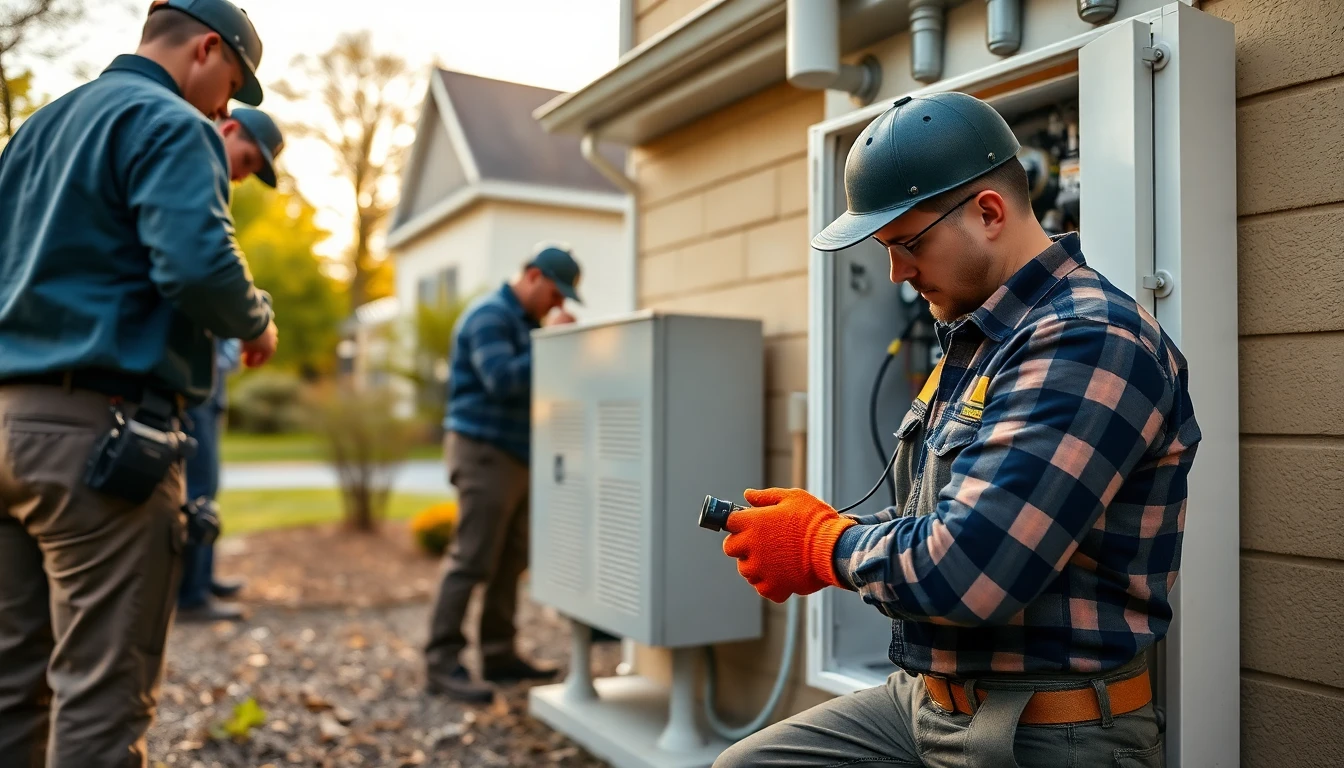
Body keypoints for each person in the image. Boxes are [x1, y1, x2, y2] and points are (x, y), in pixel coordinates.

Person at [713, 92, 1200, 767]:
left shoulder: (1087, 340)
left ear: (989, 213)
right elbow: (951, 512)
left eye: (908, 243)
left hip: (1045, 728)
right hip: (925, 704)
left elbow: (974, 567)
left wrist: (825, 545)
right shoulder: (982, 341)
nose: (897, 273)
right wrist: (819, 529)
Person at [0, 1, 276, 765]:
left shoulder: (37, 130)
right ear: (207, 49)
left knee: (12, 686)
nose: (225, 106)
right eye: (232, 84)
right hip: (100, 447)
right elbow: (196, 263)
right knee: (102, 700)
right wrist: (256, 323)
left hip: (5, 430)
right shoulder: (175, 123)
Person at [423, 245, 582, 702]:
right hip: (484, 454)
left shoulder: (524, 324)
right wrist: (552, 343)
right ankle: (441, 663)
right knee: (471, 558)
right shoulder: (489, 317)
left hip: (515, 456)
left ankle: (498, 655)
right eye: (555, 293)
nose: (559, 304)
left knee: (511, 560)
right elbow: (502, 380)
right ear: (532, 276)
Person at [177, 107, 286, 624]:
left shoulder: (214, 196)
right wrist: (256, 320)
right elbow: (201, 276)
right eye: (247, 160)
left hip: (211, 384)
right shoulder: (192, 183)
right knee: (197, 489)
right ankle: (192, 594)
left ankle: (203, 578)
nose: (244, 174)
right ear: (229, 130)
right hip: (190, 386)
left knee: (208, 487)